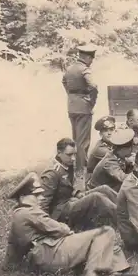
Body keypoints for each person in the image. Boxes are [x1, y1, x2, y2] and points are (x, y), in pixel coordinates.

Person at [2, 172, 133, 276]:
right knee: (106, 232)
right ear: (23, 197)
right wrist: (67, 230)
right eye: (36, 195)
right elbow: (60, 229)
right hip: (52, 253)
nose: (40, 197)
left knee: (101, 244)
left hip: (45, 257)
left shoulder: (17, 215)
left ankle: (117, 274)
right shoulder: (29, 211)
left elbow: (12, 246)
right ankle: (93, 275)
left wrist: (9, 266)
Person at [40, 138, 118, 230]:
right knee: (96, 197)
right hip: (60, 213)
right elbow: (42, 204)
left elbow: (67, 186)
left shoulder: (66, 163)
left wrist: (76, 193)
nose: (73, 158)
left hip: (70, 201)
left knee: (104, 188)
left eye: (74, 154)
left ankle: (127, 208)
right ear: (59, 153)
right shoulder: (52, 173)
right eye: (69, 155)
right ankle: (124, 221)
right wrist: (48, 227)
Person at [61, 44, 99, 178]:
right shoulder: (85, 70)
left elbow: (64, 82)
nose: (92, 62)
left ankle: (76, 165)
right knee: (83, 141)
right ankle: (80, 169)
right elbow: (93, 86)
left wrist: (71, 95)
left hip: (71, 106)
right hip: (83, 108)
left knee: (76, 138)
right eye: (91, 59)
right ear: (87, 57)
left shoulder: (70, 68)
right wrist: (91, 101)